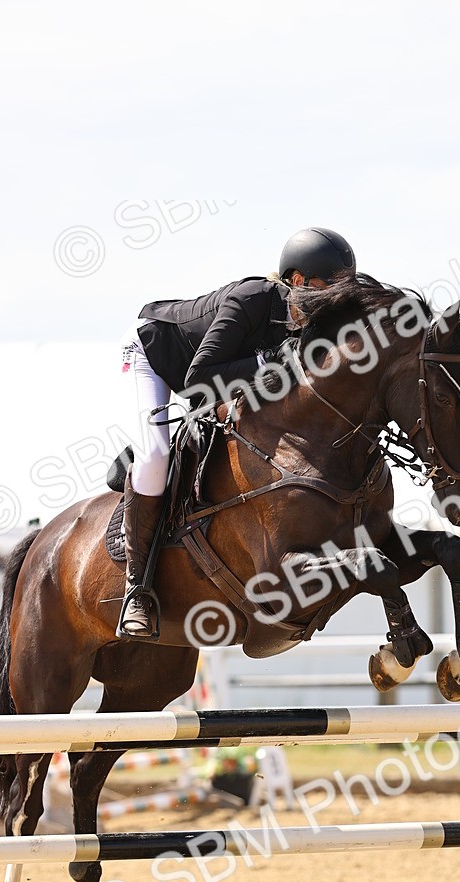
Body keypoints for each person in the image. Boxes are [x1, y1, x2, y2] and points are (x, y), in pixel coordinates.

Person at [116, 227, 356, 639]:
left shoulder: (306, 327)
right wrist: (267, 360)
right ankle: (136, 590)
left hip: (212, 380)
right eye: (324, 290)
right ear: (296, 282)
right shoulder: (251, 299)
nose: (333, 303)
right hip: (153, 355)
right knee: (155, 455)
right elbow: (197, 380)